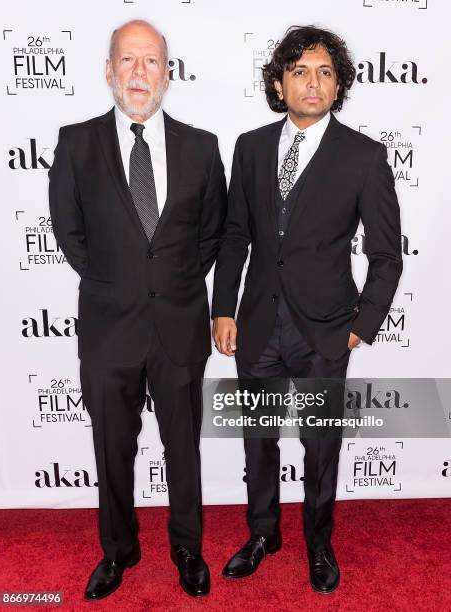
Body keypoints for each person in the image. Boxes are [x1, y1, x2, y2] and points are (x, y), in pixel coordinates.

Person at [212, 25, 402, 594]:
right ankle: (263, 534)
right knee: (258, 441)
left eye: (324, 72)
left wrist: (360, 328)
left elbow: (386, 256)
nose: (312, 83)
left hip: (325, 331)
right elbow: (234, 236)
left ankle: (319, 544)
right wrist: (224, 311)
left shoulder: (364, 157)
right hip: (256, 325)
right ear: (279, 84)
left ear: (337, 83)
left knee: (320, 448)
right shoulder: (249, 147)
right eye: (299, 72)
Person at [49, 19, 226, 600]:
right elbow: (70, 235)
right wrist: (117, 284)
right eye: (128, 60)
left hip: (177, 326)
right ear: (109, 71)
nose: (140, 73)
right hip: (108, 326)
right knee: (112, 449)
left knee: (183, 448)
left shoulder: (202, 147)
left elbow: (211, 237)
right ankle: (118, 551)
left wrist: (169, 285)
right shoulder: (76, 143)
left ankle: (187, 548)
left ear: (168, 74)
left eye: (152, 61)